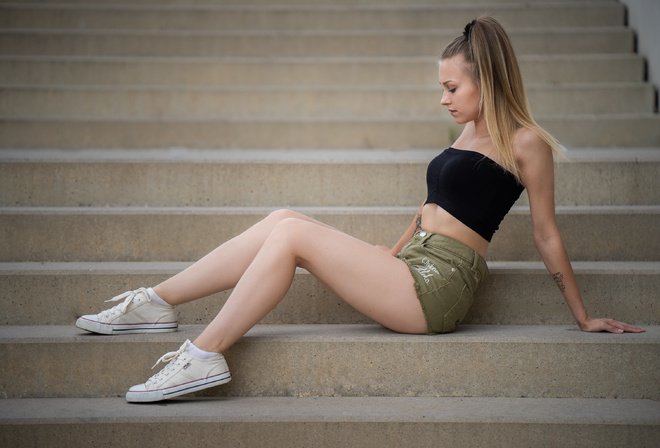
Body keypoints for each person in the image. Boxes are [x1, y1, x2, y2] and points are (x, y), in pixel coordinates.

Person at [75, 16, 645, 403]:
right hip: (413, 264)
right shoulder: (469, 131)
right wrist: (390, 252)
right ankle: (157, 302)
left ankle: (205, 355)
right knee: (283, 219)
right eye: (441, 88)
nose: (442, 99)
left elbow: (546, 234)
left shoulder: (526, 143)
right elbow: (430, 207)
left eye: (451, 87)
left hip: (441, 286)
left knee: (291, 239)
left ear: (485, 81)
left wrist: (582, 315)